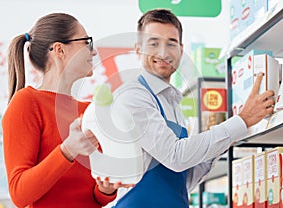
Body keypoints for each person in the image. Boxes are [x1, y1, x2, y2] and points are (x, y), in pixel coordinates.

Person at [111, 9, 275, 207]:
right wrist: (240, 121)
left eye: (171, 43)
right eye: (153, 43)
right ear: (138, 49)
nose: (163, 53)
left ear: (180, 49)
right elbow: (175, 156)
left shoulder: (173, 103)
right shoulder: (133, 96)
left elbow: (185, 179)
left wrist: (227, 137)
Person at [2, 13, 127, 208]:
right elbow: (20, 193)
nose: (93, 52)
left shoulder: (88, 110)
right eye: (87, 43)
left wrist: (106, 188)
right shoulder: (27, 103)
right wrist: (67, 150)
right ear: (60, 50)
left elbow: (94, 197)